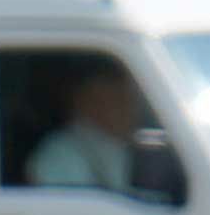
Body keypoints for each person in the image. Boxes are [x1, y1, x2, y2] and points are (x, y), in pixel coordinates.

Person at [26, 58, 139, 193]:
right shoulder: (60, 154)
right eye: (118, 100)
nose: (130, 110)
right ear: (87, 104)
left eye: (129, 100)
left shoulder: (127, 147)